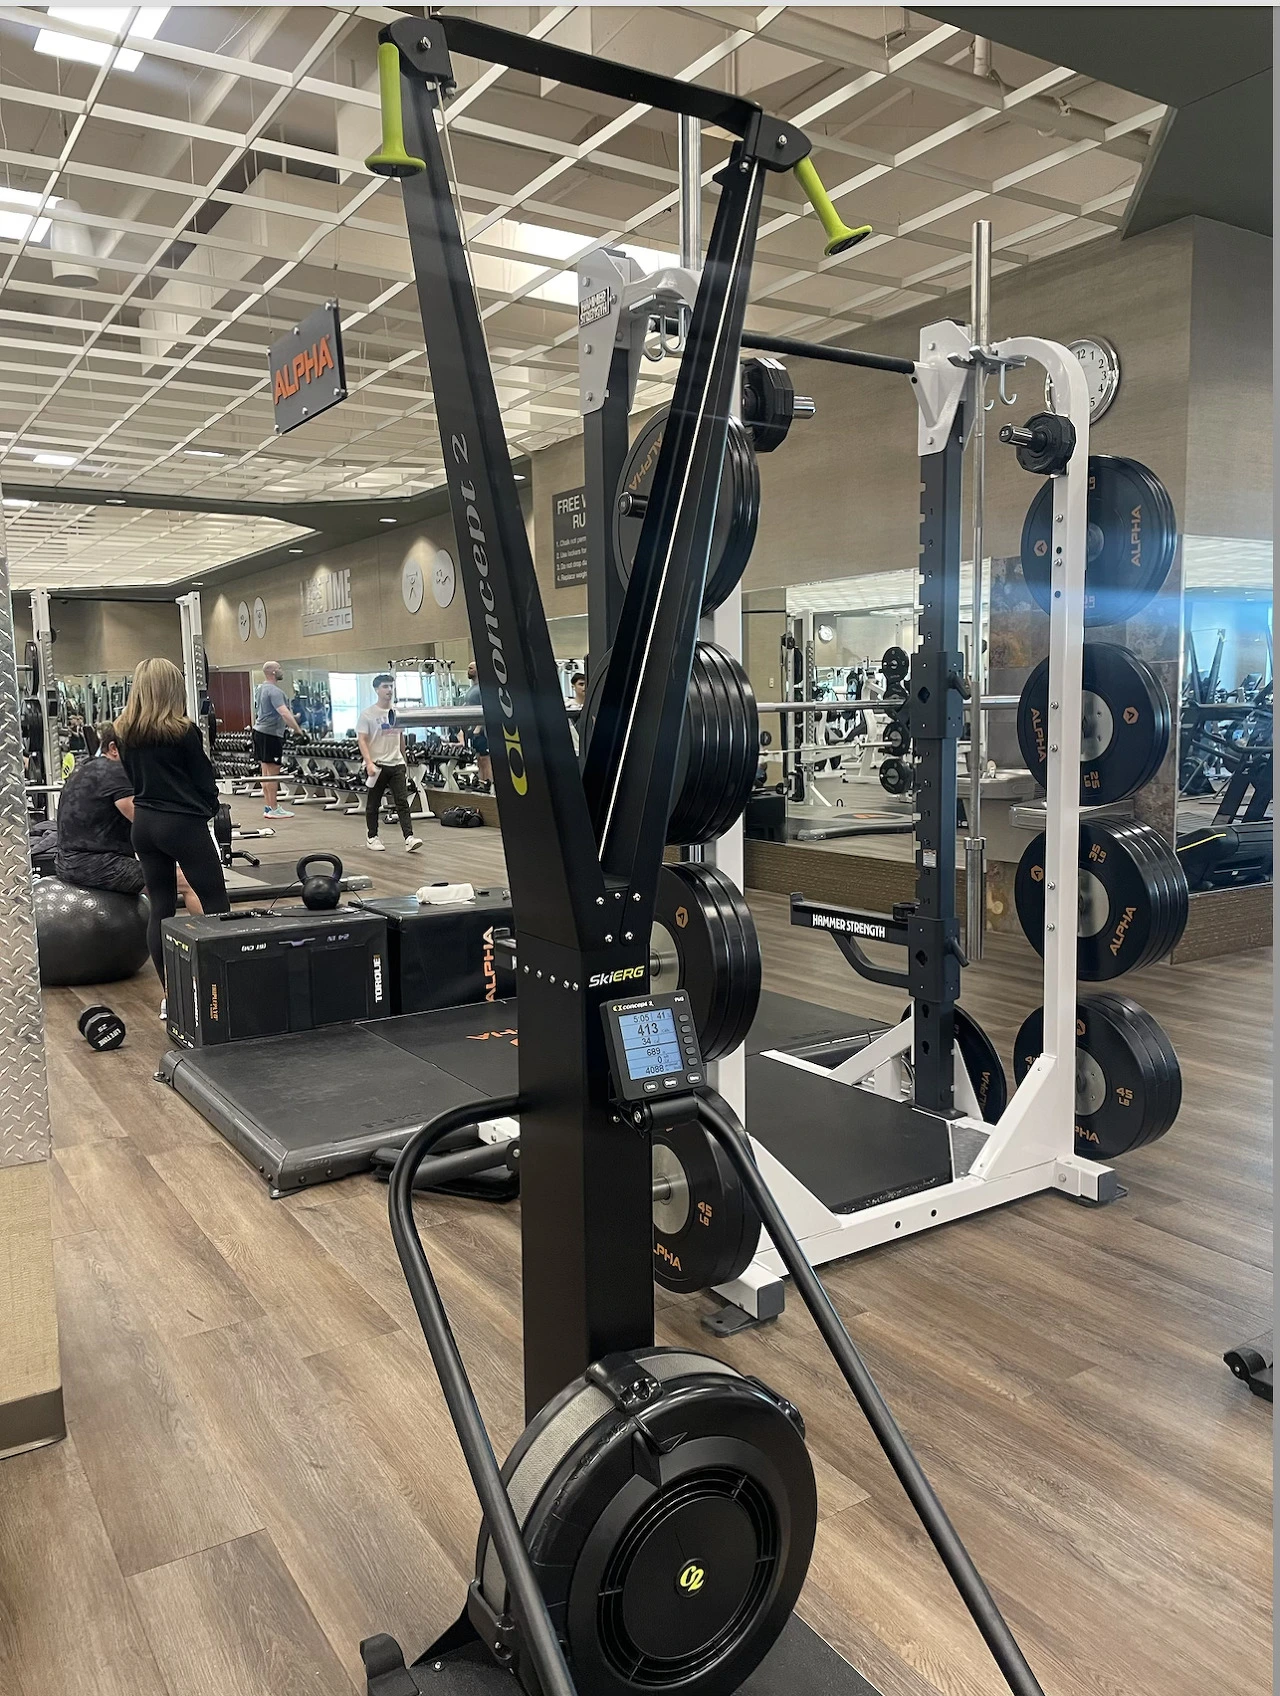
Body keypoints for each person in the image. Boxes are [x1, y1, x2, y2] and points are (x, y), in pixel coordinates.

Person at [115, 658, 229, 998]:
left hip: (145, 825)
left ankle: (171, 997)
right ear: (173, 688)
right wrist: (209, 810)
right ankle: (223, 988)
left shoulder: (123, 730)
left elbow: (131, 778)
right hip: (181, 824)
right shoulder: (183, 730)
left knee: (161, 907)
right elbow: (204, 781)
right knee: (216, 901)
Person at [55, 722, 204, 914]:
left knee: (161, 871)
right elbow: (146, 824)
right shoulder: (117, 772)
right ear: (113, 749)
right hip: (95, 866)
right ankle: (211, 933)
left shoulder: (86, 767)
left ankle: (159, 928)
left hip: (70, 862)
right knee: (189, 880)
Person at [357, 674, 423, 854]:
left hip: (396, 764)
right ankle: (372, 836)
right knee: (373, 803)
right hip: (377, 765)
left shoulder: (398, 713)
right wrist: (368, 763)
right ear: (376, 689)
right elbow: (362, 740)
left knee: (402, 801)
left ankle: (409, 838)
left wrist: (404, 761)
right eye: (385, 686)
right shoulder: (368, 714)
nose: (389, 690)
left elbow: (400, 737)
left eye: (391, 686)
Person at [252, 660, 303, 819]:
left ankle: (268, 807)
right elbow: (284, 713)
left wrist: (292, 718)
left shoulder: (261, 689)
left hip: (259, 732)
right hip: (271, 735)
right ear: (273, 672)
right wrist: (298, 730)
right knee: (273, 774)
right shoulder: (274, 691)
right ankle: (273, 808)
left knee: (266, 773)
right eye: (279, 668)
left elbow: (273, 712)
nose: (282, 670)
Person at [463, 659, 492, 789]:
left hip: (481, 731)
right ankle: (481, 783)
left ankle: (489, 784)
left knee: (485, 759)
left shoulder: (482, 689)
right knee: (479, 759)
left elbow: (484, 709)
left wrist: (478, 727)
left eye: (471, 668)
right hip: (473, 730)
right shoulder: (472, 689)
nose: (468, 671)